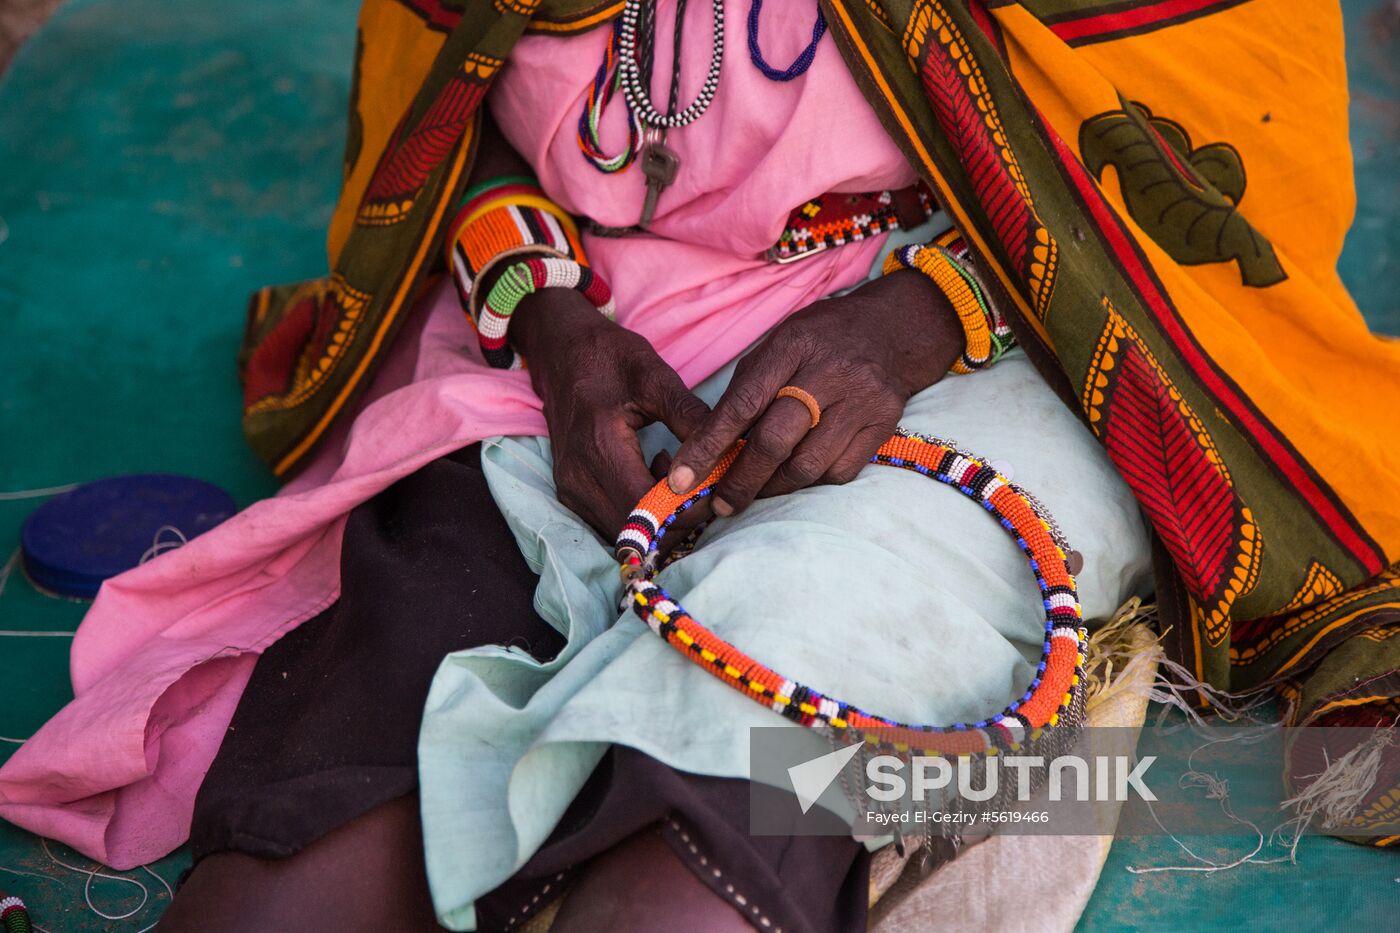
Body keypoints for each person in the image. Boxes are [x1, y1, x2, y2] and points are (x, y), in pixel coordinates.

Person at [3, 1, 1397, 931]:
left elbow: (1209, 150)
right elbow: (451, 87)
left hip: (1001, 321)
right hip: (594, 313)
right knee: (289, 888)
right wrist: (547, 320)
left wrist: (919, 323)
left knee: (690, 880)